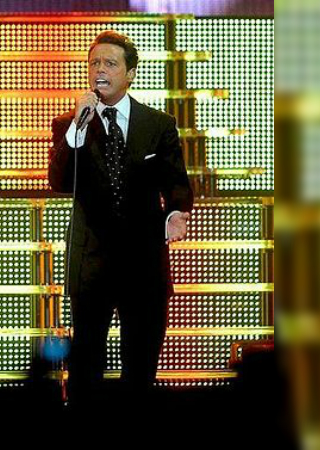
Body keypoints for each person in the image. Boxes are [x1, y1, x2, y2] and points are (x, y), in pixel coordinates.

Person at [48, 30, 194, 414]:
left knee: (141, 362)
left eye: (110, 63)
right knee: (86, 361)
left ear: (130, 74)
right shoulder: (70, 124)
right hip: (90, 262)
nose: (100, 70)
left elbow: (176, 183)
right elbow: (58, 180)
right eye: (94, 63)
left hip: (142, 262)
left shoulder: (158, 124)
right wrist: (77, 128)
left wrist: (175, 213)